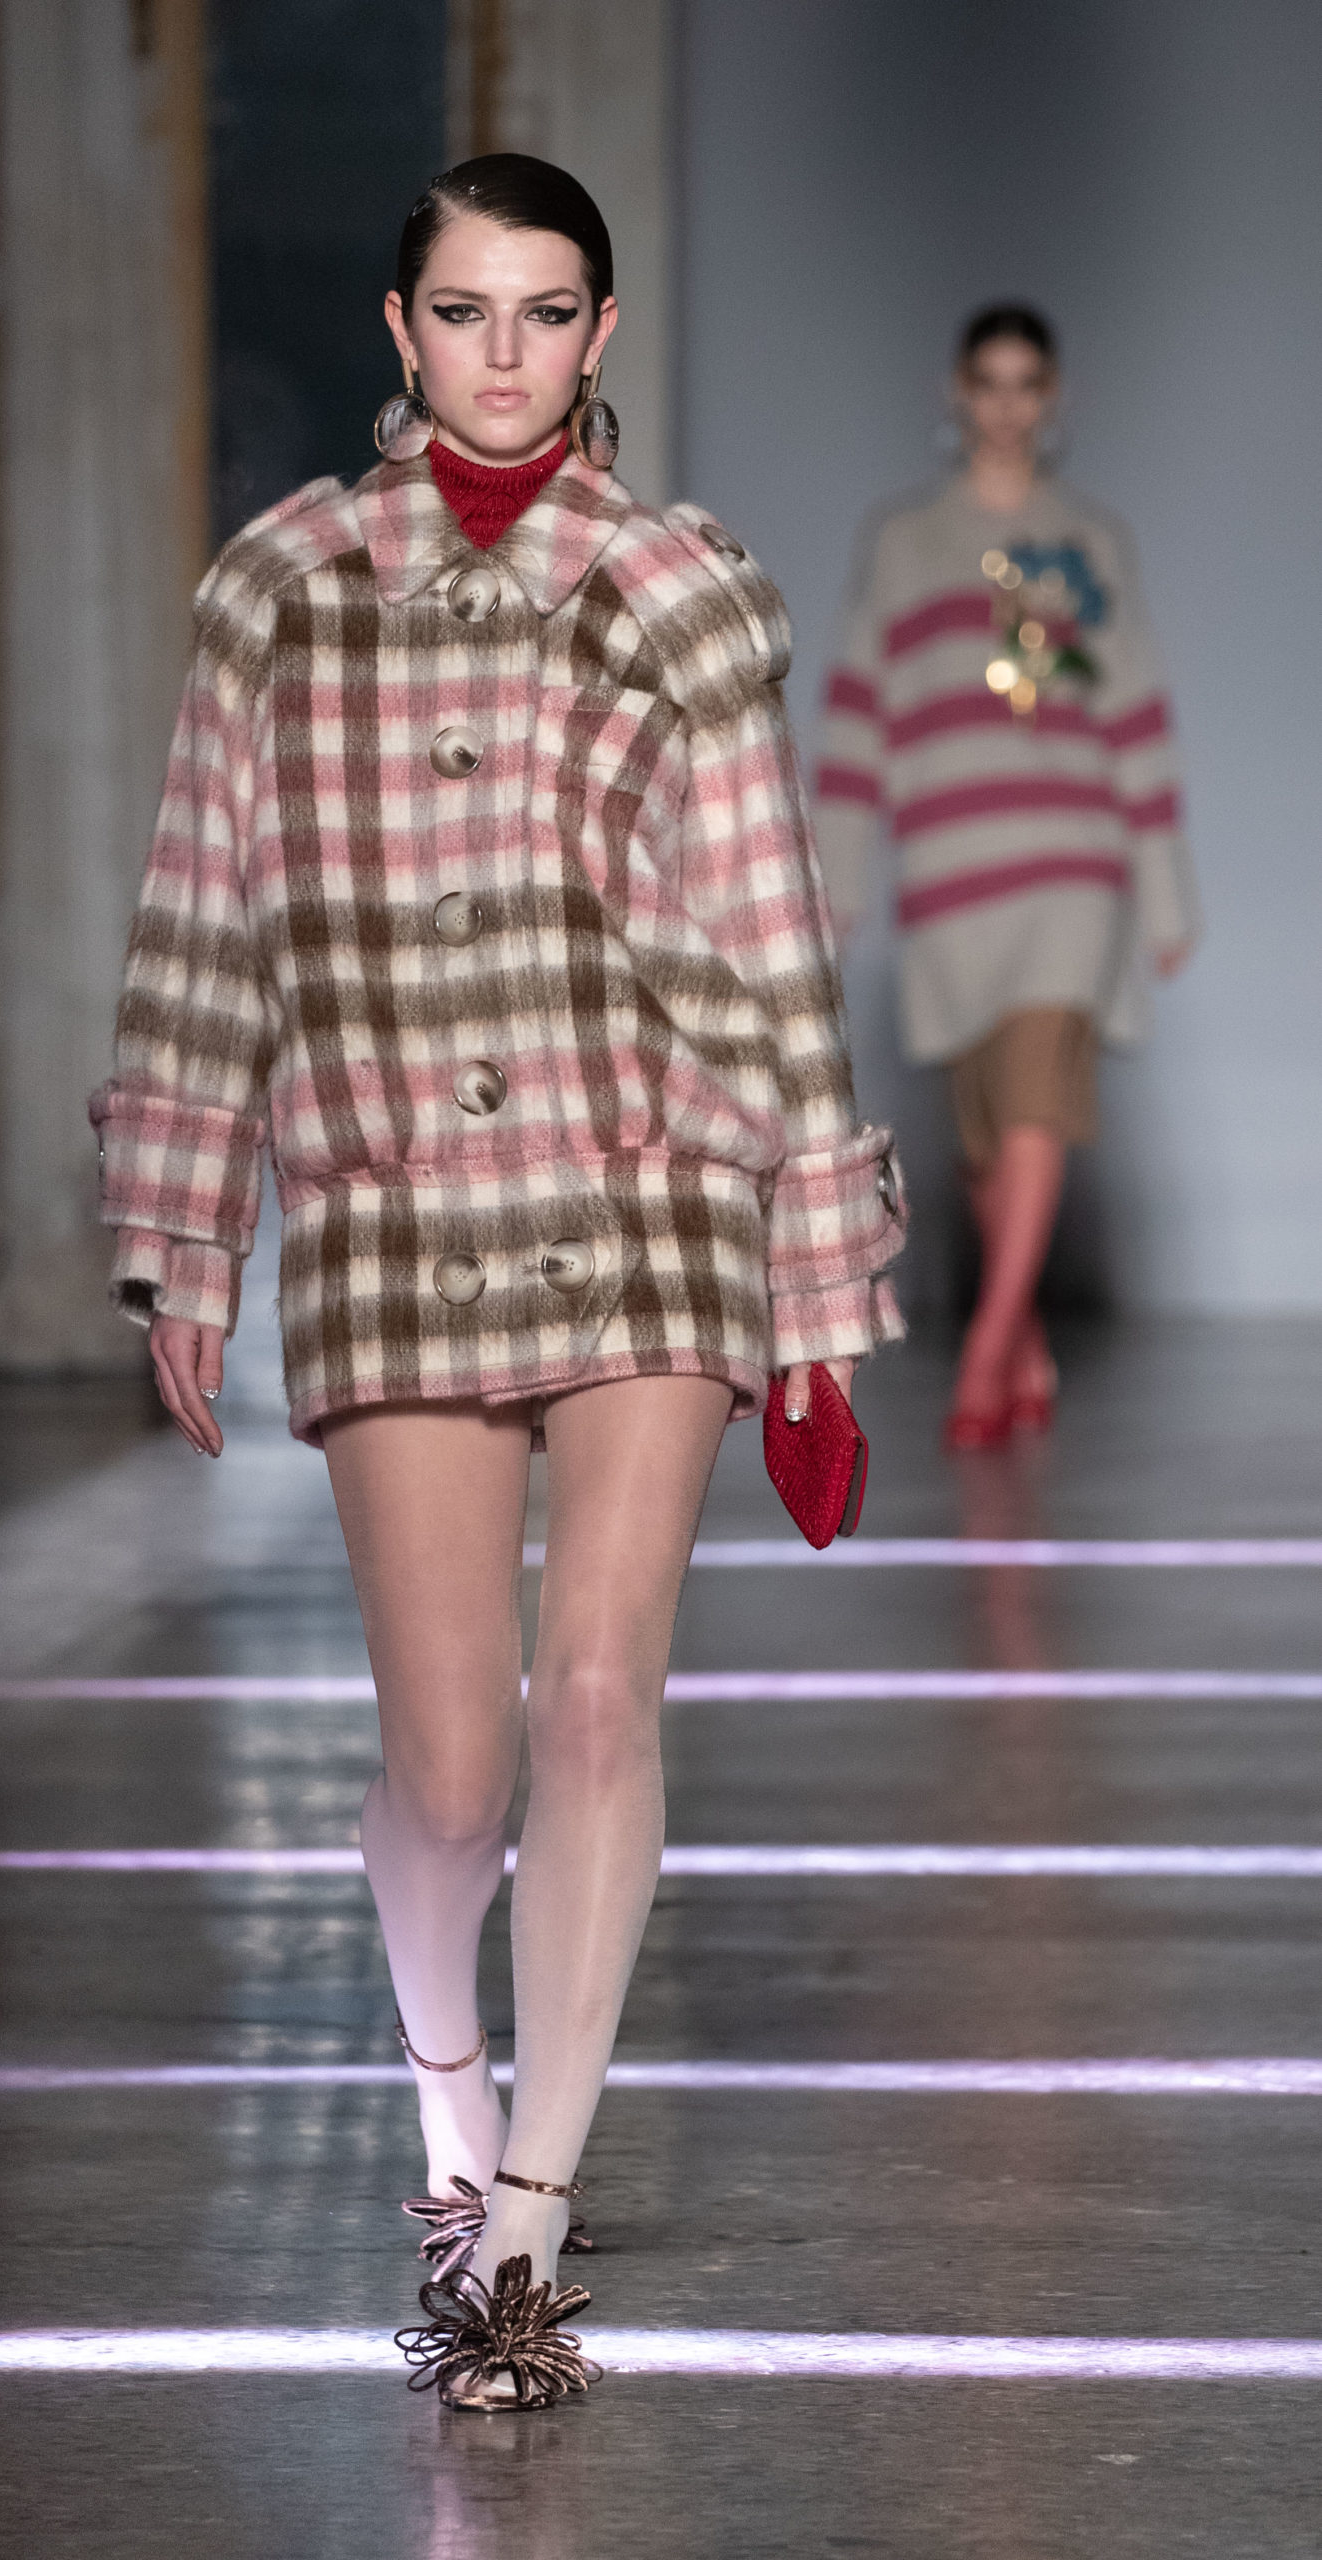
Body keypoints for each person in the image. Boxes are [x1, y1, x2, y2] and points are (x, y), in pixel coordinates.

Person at [91, 154, 905, 2409]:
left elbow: (766, 935)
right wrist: (186, 1225)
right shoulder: (278, 587)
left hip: (647, 1181)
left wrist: (810, 1281)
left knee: (596, 1699)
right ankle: (452, 2116)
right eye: (463, 311)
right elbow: (205, 909)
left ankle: (528, 2225)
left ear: (600, 334)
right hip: (390, 1204)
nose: (505, 354)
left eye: (547, 313)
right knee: (448, 1772)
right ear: (397, 326)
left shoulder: (675, 587)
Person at [814, 304, 1197, 1447]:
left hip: (1075, 862)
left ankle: (986, 1349)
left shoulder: (1093, 541)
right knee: (984, 1127)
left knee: (1035, 1098)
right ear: (959, 392)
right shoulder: (903, 541)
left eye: (1028, 383)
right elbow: (859, 709)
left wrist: (1166, 891)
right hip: (951, 865)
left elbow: (1135, 713)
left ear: (1053, 397)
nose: (1007, 404)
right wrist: (838, 873)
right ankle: (1025, 1345)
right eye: (989, 381)